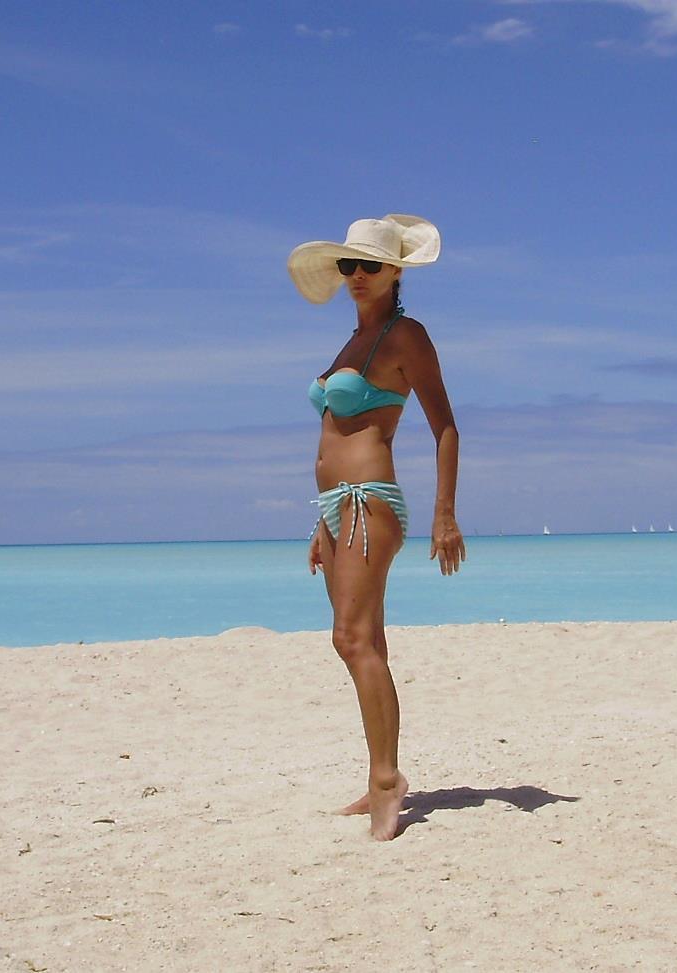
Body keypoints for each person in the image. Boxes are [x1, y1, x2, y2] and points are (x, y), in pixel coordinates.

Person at [288, 213, 465, 840]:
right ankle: (379, 775)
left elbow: (445, 426)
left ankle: (388, 779)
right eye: (348, 265)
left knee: (350, 639)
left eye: (370, 265)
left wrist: (445, 515)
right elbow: (332, 433)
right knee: (369, 643)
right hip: (336, 508)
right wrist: (322, 522)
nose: (357, 275)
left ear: (395, 272)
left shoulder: (405, 336)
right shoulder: (352, 341)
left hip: (371, 502)